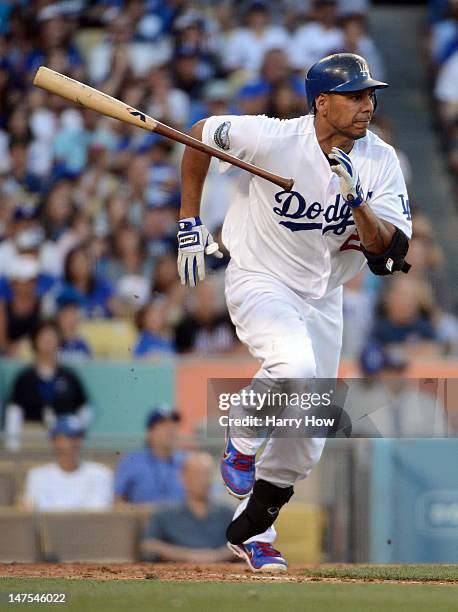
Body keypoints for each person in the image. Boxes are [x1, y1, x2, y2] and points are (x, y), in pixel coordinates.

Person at [177, 53, 412, 572]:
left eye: (370, 94)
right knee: (294, 370)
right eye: (354, 95)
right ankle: (241, 439)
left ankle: (254, 528)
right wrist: (190, 219)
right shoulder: (273, 138)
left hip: (324, 294)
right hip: (261, 278)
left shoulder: (380, 160)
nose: (366, 104)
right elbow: (199, 134)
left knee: (307, 433)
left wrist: (357, 200)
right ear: (322, 103)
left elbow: (387, 253)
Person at [4, 320, 91, 451]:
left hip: (64, 441)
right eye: (43, 336)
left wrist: (75, 434)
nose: (48, 341)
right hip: (31, 439)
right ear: (35, 341)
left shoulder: (69, 376)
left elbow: (84, 409)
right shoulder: (24, 378)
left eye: (52, 336)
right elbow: (14, 412)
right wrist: (13, 446)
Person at [141, 452, 234, 563]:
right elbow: (149, 545)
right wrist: (190, 556)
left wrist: (216, 556)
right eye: (198, 474)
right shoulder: (164, 515)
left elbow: (245, 545)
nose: (204, 480)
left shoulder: (228, 513)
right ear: (183, 477)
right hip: (176, 573)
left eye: (207, 474)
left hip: (220, 573)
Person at [23, 415, 113, 511]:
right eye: (69, 437)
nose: (75, 442)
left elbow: (98, 512)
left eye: (78, 437)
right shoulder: (37, 476)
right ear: (54, 441)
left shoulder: (102, 474)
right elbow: (36, 514)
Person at [114, 406, 186, 505]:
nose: (170, 429)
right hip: (142, 519)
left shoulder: (188, 462)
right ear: (149, 433)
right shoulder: (131, 461)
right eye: (163, 424)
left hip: (182, 519)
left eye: (174, 424)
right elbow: (117, 499)